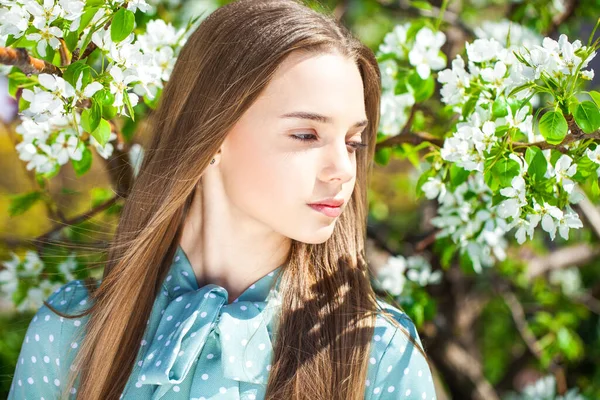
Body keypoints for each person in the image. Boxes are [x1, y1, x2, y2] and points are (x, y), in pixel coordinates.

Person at [8, 0, 437, 399]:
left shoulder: (377, 353)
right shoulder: (72, 330)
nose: (343, 168)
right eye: (306, 135)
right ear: (210, 135)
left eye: (352, 141)